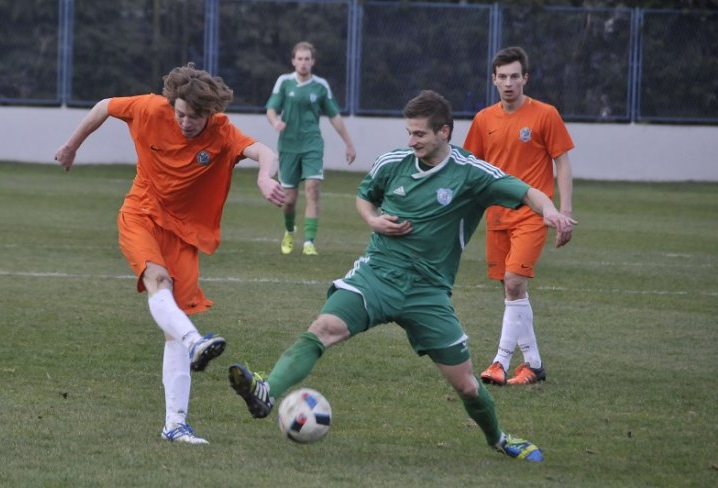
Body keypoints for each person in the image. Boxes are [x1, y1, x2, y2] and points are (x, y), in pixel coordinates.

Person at [228, 90, 577, 461]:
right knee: (322, 329)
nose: (411, 142)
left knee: (468, 385)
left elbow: (526, 191)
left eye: (419, 135)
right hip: (377, 274)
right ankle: (266, 391)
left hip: (428, 292)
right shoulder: (393, 163)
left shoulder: (472, 173)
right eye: (408, 133)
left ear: (444, 132)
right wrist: (372, 219)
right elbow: (364, 196)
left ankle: (499, 439)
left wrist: (551, 212)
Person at [54, 63, 285, 444]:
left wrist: (264, 175)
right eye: (180, 114)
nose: (186, 122)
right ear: (171, 104)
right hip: (140, 214)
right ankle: (196, 343)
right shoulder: (148, 108)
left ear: (209, 113)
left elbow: (263, 150)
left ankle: (174, 424)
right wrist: (72, 145)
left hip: (182, 232)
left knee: (171, 330)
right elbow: (103, 106)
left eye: (194, 117)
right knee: (158, 281)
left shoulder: (221, 130)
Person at [463, 46, 575, 386]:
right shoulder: (484, 120)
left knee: (513, 283)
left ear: (525, 78)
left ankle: (499, 362)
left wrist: (564, 212)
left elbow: (563, 162)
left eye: (515, 76)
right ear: (493, 80)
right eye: (502, 77)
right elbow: (470, 168)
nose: (509, 83)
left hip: (532, 215)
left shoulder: (545, 115)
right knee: (512, 291)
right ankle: (535, 365)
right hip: (497, 217)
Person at [266, 41, 357, 256]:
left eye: (307, 59)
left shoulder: (321, 86)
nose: (303, 62)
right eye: (300, 58)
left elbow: (334, 115)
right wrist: (275, 122)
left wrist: (349, 143)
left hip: (312, 145)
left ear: (313, 61)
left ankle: (309, 242)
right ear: (293, 61)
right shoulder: (284, 82)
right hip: (288, 146)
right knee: (288, 201)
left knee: (313, 190)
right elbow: (271, 108)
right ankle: (289, 230)